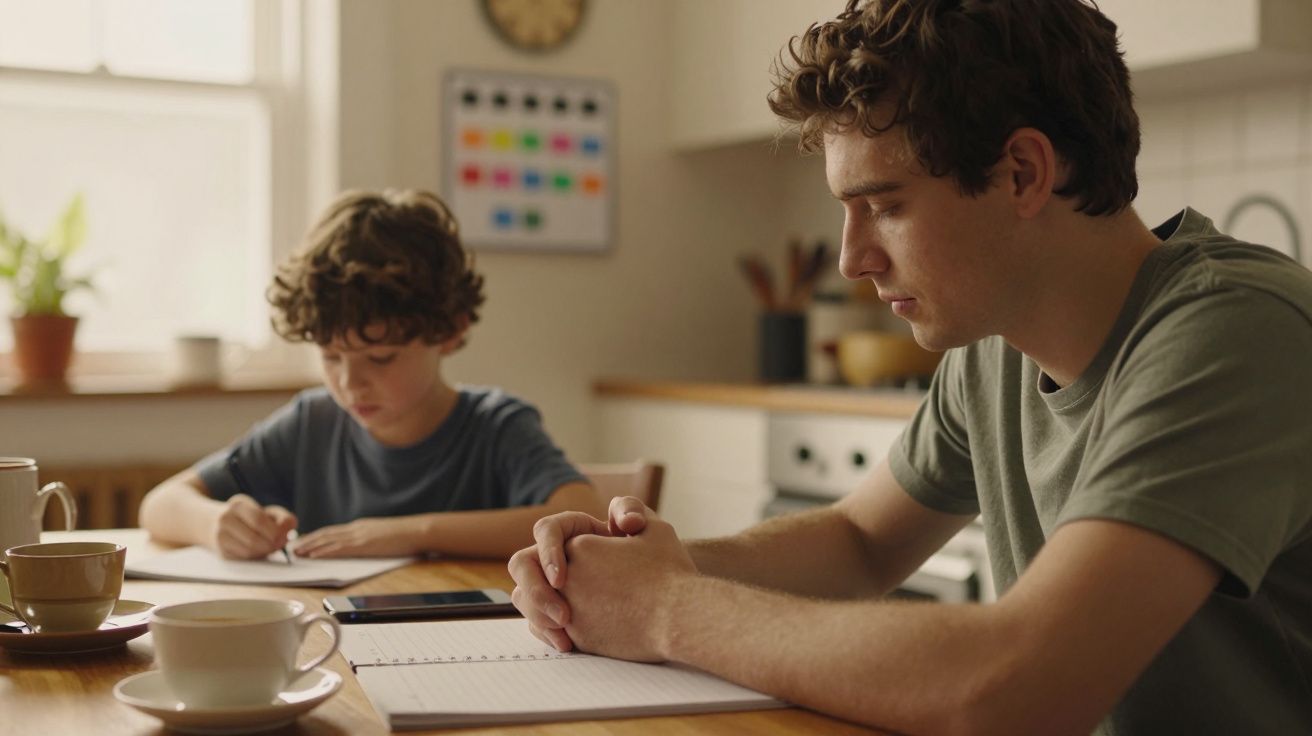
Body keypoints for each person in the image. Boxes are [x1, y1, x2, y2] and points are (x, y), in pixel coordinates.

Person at [507, 1, 1312, 734]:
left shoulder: (1238, 330)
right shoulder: (997, 340)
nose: (853, 259)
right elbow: (859, 543)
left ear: (1023, 172)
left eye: (886, 207)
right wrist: (644, 567)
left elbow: (1018, 686)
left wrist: (665, 609)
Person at [140, 189, 604, 560]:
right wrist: (216, 524)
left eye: (381, 358)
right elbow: (160, 505)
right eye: (330, 356)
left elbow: (581, 513)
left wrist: (408, 533)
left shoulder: (496, 426)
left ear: (449, 331)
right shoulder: (312, 424)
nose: (349, 383)